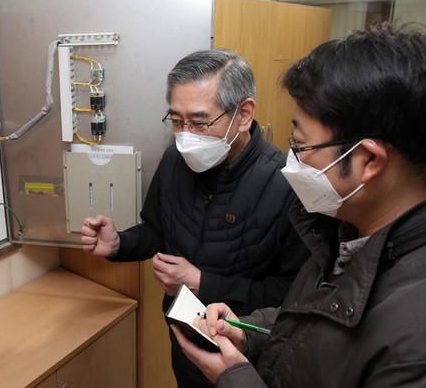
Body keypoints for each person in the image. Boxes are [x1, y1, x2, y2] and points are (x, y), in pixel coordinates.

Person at [172, 24, 426, 387]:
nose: (292, 161)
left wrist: (234, 379)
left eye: (301, 146)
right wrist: (250, 332)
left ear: (368, 161)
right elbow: (318, 326)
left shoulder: (420, 339)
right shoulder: (344, 236)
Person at [80, 49, 309, 387]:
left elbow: (295, 295)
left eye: (200, 122)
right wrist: (119, 244)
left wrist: (204, 282)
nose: (186, 136)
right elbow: (159, 231)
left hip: (247, 362)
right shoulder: (175, 159)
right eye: (176, 121)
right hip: (186, 341)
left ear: (243, 115)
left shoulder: (286, 185)